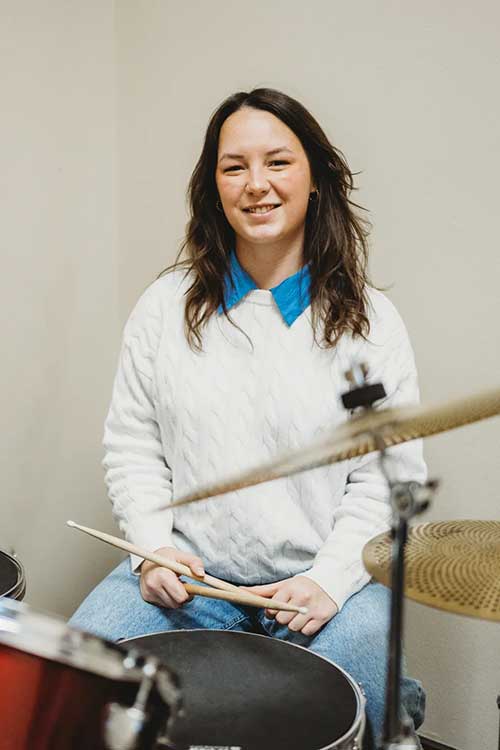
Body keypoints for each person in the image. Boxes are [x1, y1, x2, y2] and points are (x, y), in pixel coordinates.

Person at [70, 88, 426, 748]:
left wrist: (327, 580)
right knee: (76, 681)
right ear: (214, 187)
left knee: (363, 695)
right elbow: (134, 444)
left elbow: (386, 477)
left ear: (316, 178)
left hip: (328, 585)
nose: (256, 184)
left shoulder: (370, 323)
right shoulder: (164, 307)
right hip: (188, 580)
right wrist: (152, 548)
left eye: (278, 162)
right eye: (234, 167)